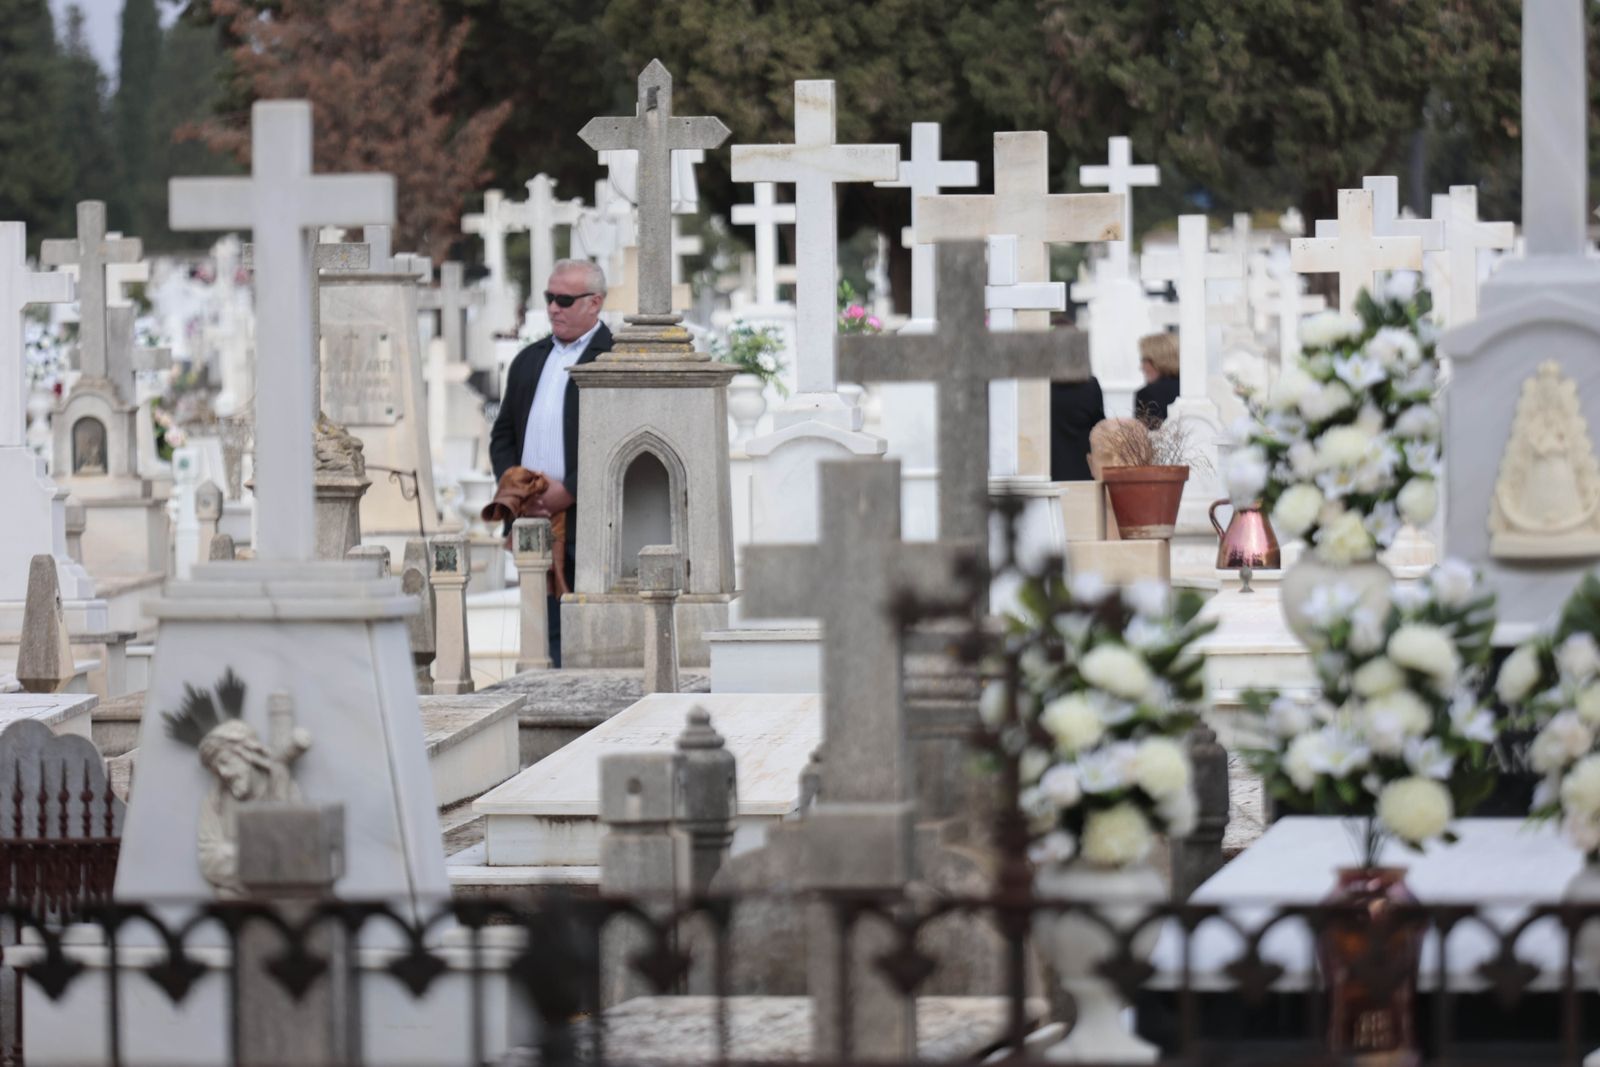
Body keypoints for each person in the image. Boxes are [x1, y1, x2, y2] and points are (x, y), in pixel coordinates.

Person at [489, 259, 613, 667]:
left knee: (583, 635)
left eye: (564, 299)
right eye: (549, 298)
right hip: (530, 519)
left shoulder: (613, 358)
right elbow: (503, 434)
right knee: (539, 637)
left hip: (587, 523)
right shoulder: (530, 359)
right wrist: (515, 487)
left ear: (594, 303)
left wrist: (569, 491)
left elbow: (614, 442)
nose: (554, 308)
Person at [1050, 376, 1106, 481]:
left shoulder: (1039, 386)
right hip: (1083, 472)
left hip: (1049, 474)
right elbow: (1100, 428)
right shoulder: (1090, 385)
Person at [1133, 332, 1181, 426]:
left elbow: (1142, 437)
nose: (1141, 367)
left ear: (1158, 360)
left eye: (1144, 360)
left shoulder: (1147, 394)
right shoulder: (1193, 389)